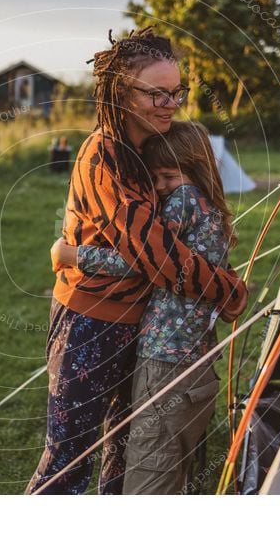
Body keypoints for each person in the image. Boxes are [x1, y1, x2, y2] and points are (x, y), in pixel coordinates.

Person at [24, 28, 248, 495]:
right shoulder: (102, 157)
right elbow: (155, 253)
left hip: (140, 327)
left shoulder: (146, 149)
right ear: (122, 92)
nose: (171, 103)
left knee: (122, 454)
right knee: (69, 460)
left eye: (176, 92)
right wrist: (228, 290)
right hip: (90, 323)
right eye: (157, 93)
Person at [52, 120, 236, 494]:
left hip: (166, 355)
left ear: (194, 169)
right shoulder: (206, 205)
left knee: (149, 466)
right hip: (193, 354)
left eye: (169, 175)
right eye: (156, 178)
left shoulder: (183, 202)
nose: (161, 186)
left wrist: (73, 254)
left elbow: (143, 258)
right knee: (166, 463)